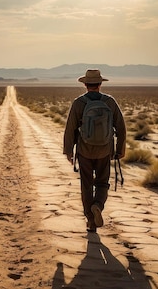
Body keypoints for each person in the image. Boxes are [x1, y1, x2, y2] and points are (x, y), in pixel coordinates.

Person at [63, 69, 126, 232]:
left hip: (84, 150)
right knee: (102, 182)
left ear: (85, 85)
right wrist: (120, 149)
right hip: (105, 150)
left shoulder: (79, 103)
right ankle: (97, 205)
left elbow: (70, 128)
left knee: (86, 184)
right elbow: (121, 127)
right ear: (100, 84)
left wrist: (69, 151)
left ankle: (91, 221)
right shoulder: (109, 102)